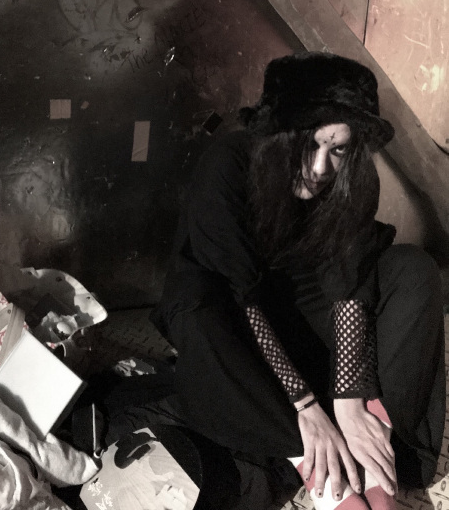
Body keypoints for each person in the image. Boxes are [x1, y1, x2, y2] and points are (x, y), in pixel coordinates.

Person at [152, 52, 445, 510]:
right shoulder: (228, 163)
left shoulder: (350, 181)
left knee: (412, 269)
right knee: (198, 309)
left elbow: (348, 287)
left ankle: (374, 450)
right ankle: (318, 466)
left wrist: (349, 398)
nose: (322, 168)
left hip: (309, 315)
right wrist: (306, 407)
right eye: (310, 145)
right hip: (237, 319)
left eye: (338, 149)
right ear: (279, 135)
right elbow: (240, 294)